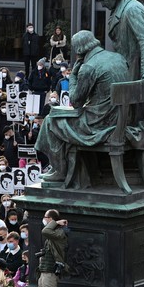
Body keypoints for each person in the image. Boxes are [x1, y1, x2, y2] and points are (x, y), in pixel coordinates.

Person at [36, 30, 129, 183]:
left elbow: (75, 101)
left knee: (50, 122)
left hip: (99, 122)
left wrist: (73, 76)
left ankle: (60, 170)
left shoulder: (89, 67)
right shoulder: (118, 58)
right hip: (121, 119)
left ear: (79, 50)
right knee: (57, 120)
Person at [93, 0, 144, 144]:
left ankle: (134, 147)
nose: (102, 4)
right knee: (127, 110)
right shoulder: (120, 8)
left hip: (138, 66)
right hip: (128, 65)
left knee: (138, 112)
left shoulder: (132, 9)